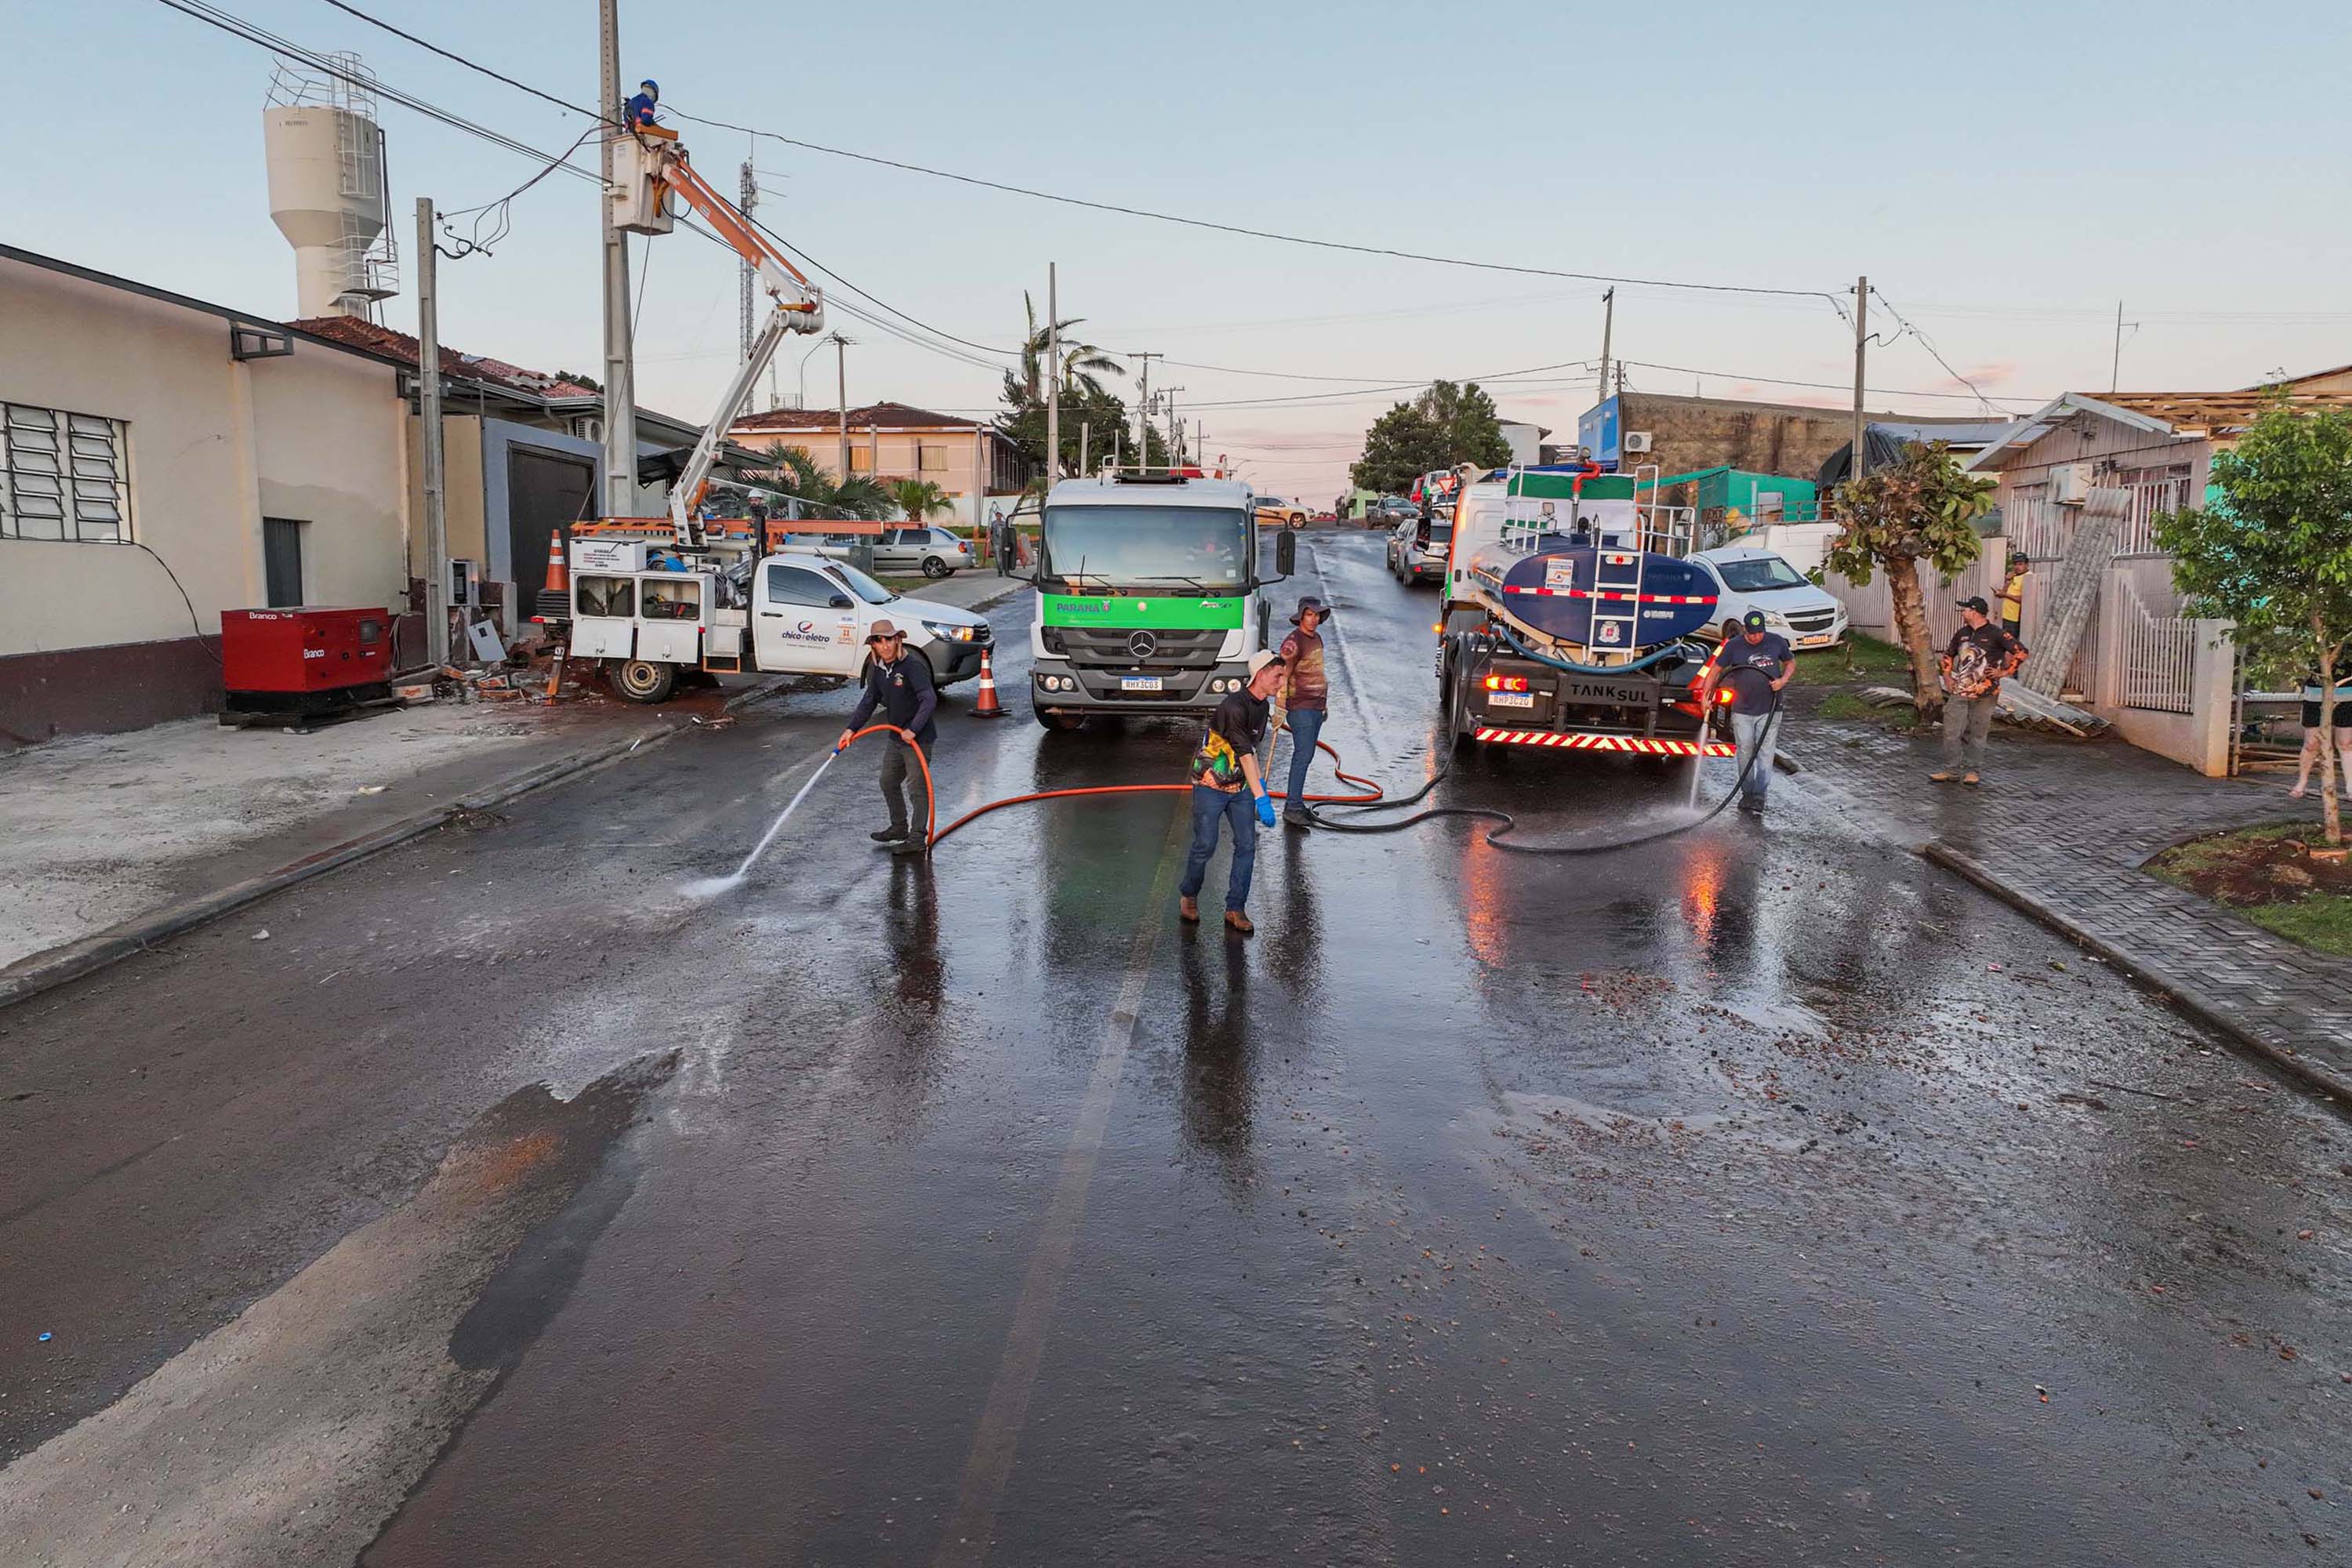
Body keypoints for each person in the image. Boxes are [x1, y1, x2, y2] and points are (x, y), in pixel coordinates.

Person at [1179, 651, 1284, 935]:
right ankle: (1189, 894)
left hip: (1239, 786)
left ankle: (1235, 908)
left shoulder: (1262, 706)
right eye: (1277, 676)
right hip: (1210, 784)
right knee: (1206, 845)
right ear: (1261, 674)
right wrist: (1262, 798)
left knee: (1247, 846)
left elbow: (1252, 748)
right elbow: (1247, 755)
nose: (1281, 682)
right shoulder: (1234, 707)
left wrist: (1280, 719)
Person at [837, 619, 937, 853]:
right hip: (896, 738)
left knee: (917, 787)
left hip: (918, 739)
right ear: (873, 645)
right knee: (888, 781)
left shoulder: (912, 667)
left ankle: (917, 838)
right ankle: (899, 827)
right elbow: (870, 700)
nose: (886, 646)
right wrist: (852, 728)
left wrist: (913, 729)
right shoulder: (878, 669)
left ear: (898, 640)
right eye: (879, 641)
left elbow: (929, 699)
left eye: (889, 639)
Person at [1931, 596, 2027, 786]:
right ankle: (1951, 770)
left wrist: (2005, 672)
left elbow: (2021, 652)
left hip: (1986, 693)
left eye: (1965, 610)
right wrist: (1948, 676)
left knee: (1977, 733)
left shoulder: (1996, 633)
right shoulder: (1962, 634)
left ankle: (1973, 771)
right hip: (1960, 690)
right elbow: (1949, 654)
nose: (1962, 613)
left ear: (1974, 611)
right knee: (1951, 731)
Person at [1712, 608, 1794, 815]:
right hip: (1742, 710)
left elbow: (1790, 662)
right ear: (1745, 631)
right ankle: (1747, 793)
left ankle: (1759, 796)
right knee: (1745, 751)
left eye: (1760, 632)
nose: (1757, 636)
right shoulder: (1734, 646)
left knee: (1765, 752)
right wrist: (1706, 696)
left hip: (1771, 708)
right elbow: (1715, 670)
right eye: (1752, 633)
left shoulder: (1776, 642)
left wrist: (1782, 680)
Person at [1275, 597, 1331, 825]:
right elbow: (1283, 674)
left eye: (1317, 615)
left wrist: (1323, 702)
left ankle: (1296, 802)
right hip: (1301, 708)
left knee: (1306, 756)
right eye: (1310, 615)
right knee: (1303, 756)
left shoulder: (1316, 638)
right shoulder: (1293, 642)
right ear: (1301, 617)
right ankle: (1293, 807)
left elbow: (1317, 671)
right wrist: (1279, 706)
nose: (1314, 619)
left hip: (1316, 707)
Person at [2291, 668, 2352, 800]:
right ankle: (2302, 782)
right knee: (2311, 743)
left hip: (2348, 693)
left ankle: (2350, 787)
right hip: (2316, 692)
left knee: (2346, 743)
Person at [1998, 555, 2030, 640]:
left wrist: (2005, 595)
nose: (2017, 567)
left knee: (2011, 643)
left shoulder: (2028, 577)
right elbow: (2004, 592)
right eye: (2015, 564)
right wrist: (2008, 580)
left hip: (2016, 617)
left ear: (2027, 565)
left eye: (2020, 564)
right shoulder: (2014, 576)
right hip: (2008, 615)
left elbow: (2024, 599)